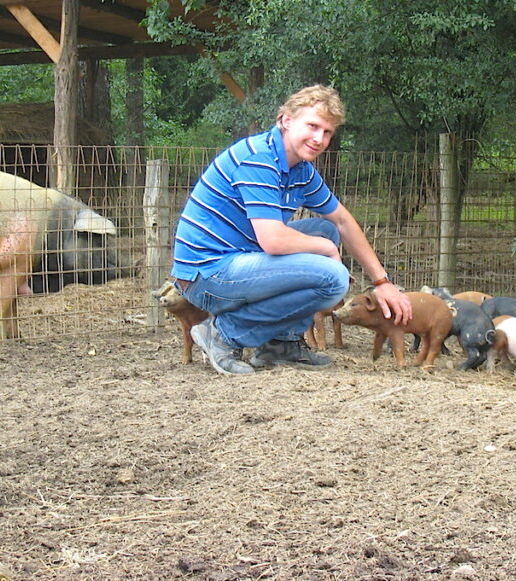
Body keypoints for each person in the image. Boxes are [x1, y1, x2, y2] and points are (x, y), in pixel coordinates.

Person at [170, 84, 413, 375]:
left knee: (326, 229)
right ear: (286, 120)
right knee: (333, 277)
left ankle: (280, 343)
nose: (319, 138)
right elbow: (273, 240)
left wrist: (382, 282)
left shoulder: (301, 169)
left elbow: (343, 221)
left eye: (327, 132)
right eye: (312, 126)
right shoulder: (258, 158)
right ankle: (223, 333)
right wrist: (326, 250)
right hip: (206, 275)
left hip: (240, 260)